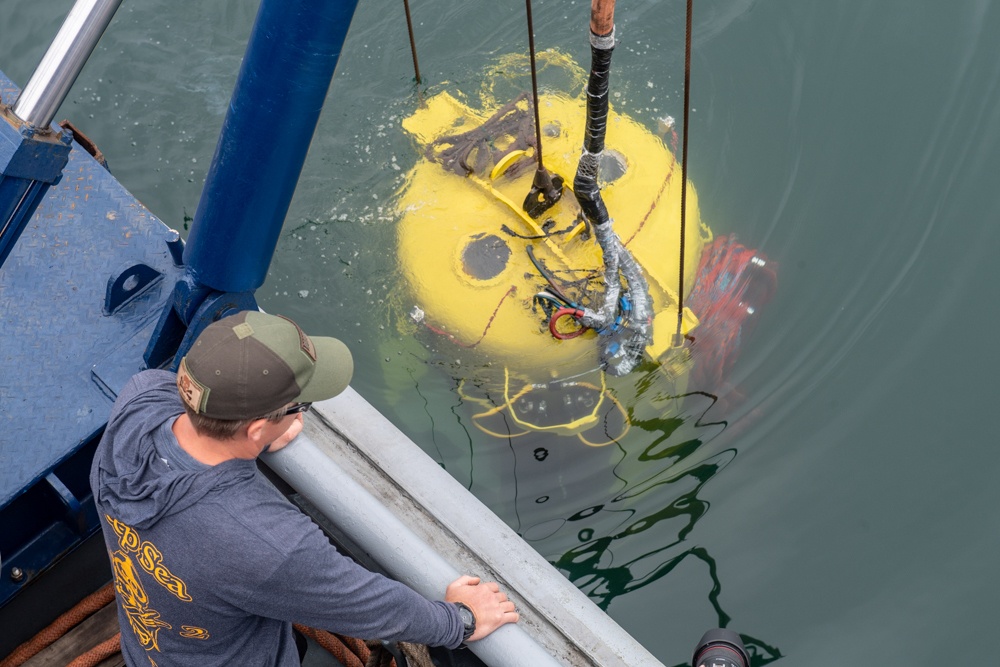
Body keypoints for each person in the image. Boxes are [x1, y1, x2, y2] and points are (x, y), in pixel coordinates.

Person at [89, 311, 518, 666]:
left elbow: (181, 412)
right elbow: (371, 606)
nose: (301, 414)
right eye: (300, 407)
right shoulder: (268, 545)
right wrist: (458, 621)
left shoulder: (138, 401)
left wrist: (255, 439)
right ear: (256, 427)